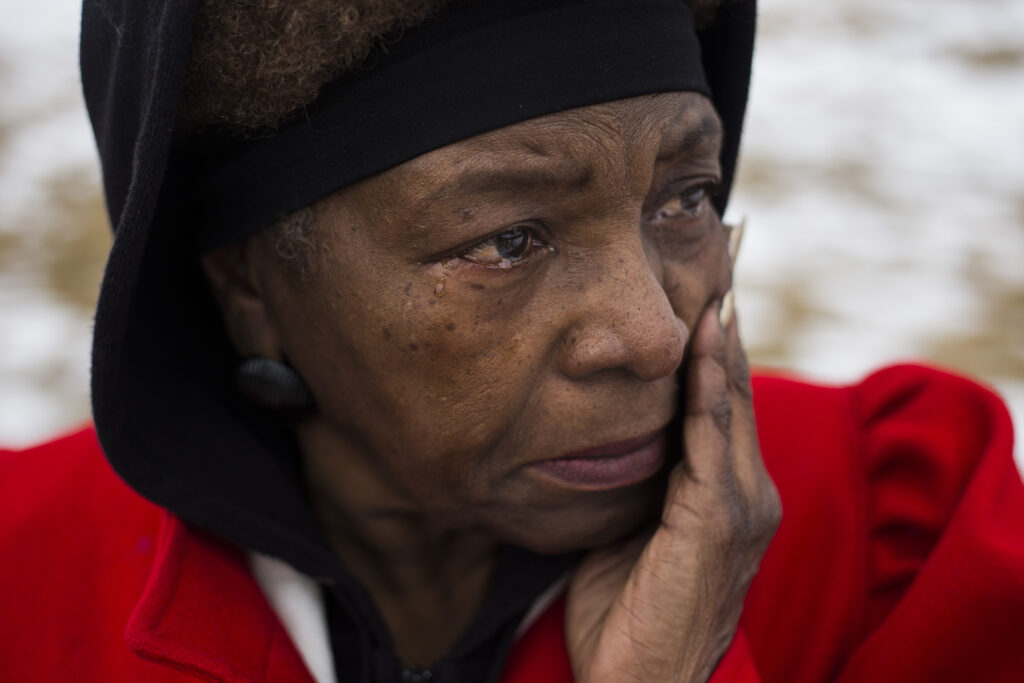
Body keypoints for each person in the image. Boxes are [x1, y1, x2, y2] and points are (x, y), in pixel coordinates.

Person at [1, 0, 1022, 681]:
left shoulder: (900, 542)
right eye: (506, 238)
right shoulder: (26, 589)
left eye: (685, 198)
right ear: (246, 283)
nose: (650, 331)